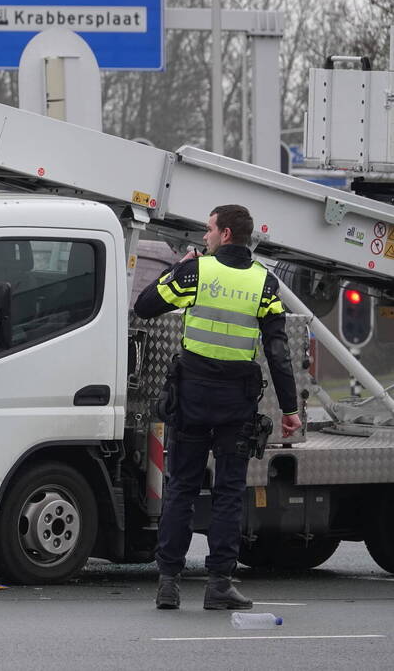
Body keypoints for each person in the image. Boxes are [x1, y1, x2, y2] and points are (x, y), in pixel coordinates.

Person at [133, 204, 302, 610]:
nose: (203, 236)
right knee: (228, 493)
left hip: (191, 397)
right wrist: (291, 409)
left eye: (208, 229)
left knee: (181, 490)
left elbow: (144, 306)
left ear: (225, 234)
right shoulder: (265, 283)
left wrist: (176, 270)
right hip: (235, 404)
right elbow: (277, 352)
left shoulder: (196, 272)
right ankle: (219, 584)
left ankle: (168, 583)